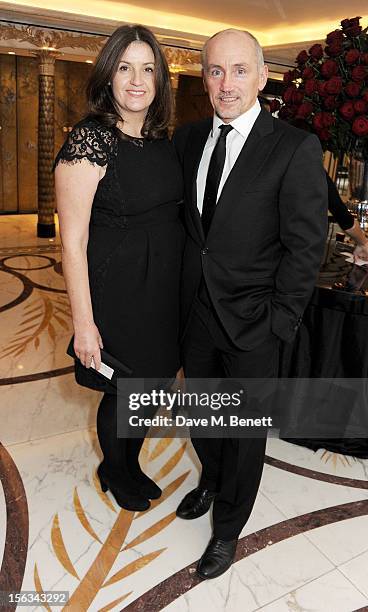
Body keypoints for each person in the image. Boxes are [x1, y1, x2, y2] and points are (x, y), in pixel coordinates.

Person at [173, 29, 328, 579]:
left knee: (243, 434)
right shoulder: (189, 139)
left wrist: (279, 321)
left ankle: (227, 528)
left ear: (264, 77)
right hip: (196, 314)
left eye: (240, 70)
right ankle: (211, 480)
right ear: (203, 77)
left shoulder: (293, 147)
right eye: (215, 70)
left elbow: (306, 246)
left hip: (256, 322)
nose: (226, 83)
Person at [54, 25, 184, 512]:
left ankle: (130, 462)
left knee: (150, 387)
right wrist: (84, 325)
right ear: (108, 76)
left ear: (159, 80)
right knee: (124, 389)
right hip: (116, 294)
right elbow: (72, 242)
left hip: (160, 295)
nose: (136, 80)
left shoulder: (160, 140)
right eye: (125, 67)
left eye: (147, 68)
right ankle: (115, 467)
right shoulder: (90, 140)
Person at [259, 95, 368, 260]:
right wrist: (363, 242)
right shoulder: (310, 170)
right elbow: (341, 212)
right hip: (288, 252)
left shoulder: (270, 160)